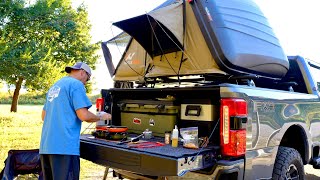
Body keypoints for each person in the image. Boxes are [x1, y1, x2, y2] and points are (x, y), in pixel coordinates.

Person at [39, 62, 111, 180]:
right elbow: (84, 116)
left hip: (46, 147)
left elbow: (43, 116)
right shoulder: (76, 85)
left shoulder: (55, 86)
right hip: (64, 147)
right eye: (87, 80)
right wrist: (101, 116)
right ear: (83, 73)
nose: (85, 83)